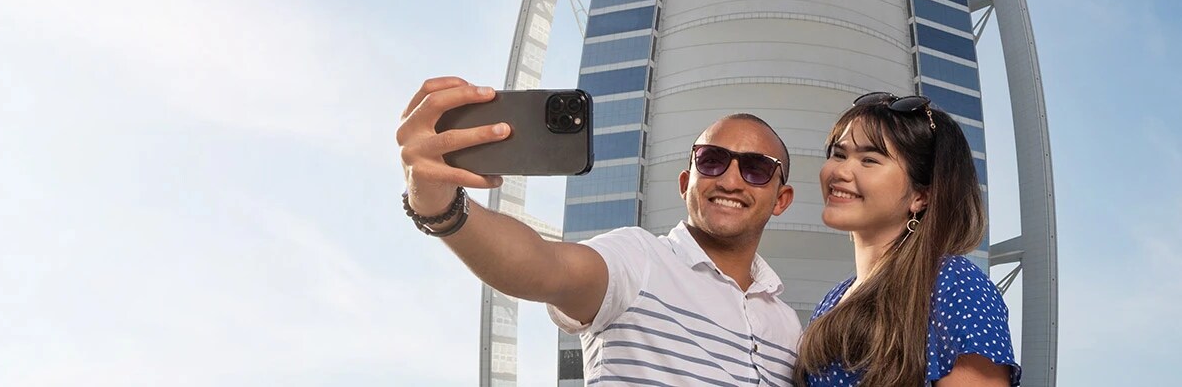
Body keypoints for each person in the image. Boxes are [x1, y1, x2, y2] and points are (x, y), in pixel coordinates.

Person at [396, 76, 801, 386]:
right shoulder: (638, 259)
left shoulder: (788, 325)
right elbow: (543, 266)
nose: (731, 180)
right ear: (685, 183)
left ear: (781, 199)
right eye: (712, 160)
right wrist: (441, 206)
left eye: (756, 168)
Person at [795, 92, 1021, 387]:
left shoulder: (953, 283)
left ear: (921, 196)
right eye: (839, 154)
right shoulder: (833, 300)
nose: (840, 171)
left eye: (869, 160)